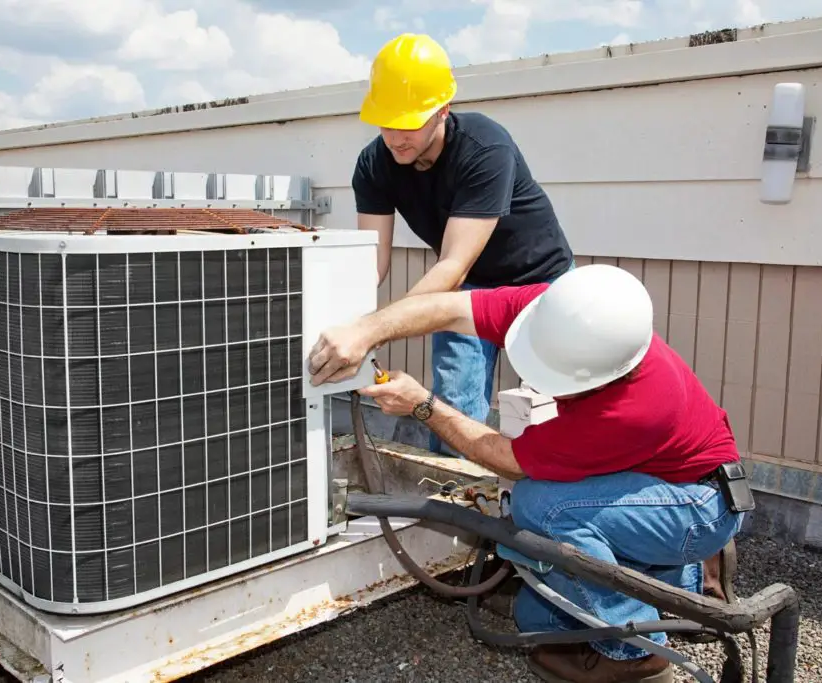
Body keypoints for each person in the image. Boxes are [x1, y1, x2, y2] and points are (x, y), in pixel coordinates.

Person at [307, 264, 748, 683]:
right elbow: (448, 307)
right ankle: (693, 582)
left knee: (542, 507)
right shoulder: (559, 313)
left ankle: (636, 654)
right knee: (535, 616)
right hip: (666, 483)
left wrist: (423, 405)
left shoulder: (634, 409)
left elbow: (507, 459)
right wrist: (366, 329)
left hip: (697, 504)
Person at [353, 32, 574, 456]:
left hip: (541, 284)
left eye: (411, 122)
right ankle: (459, 505)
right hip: (469, 288)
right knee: (452, 405)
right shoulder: (374, 164)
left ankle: (553, 501)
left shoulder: (485, 147)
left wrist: (373, 330)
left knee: (560, 403)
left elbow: (452, 263)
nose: (397, 136)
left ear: (442, 111)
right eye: (387, 122)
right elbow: (372, 262)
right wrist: (347, 320)